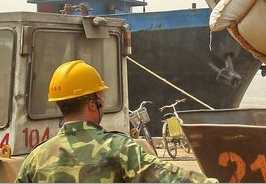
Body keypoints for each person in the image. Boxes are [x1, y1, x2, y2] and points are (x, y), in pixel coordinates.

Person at [15, 60, 218, 183]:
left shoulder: (35, 159)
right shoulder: (117, 148)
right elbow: (170, 178)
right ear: (93, 104)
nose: (103, 99)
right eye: (101, 95)